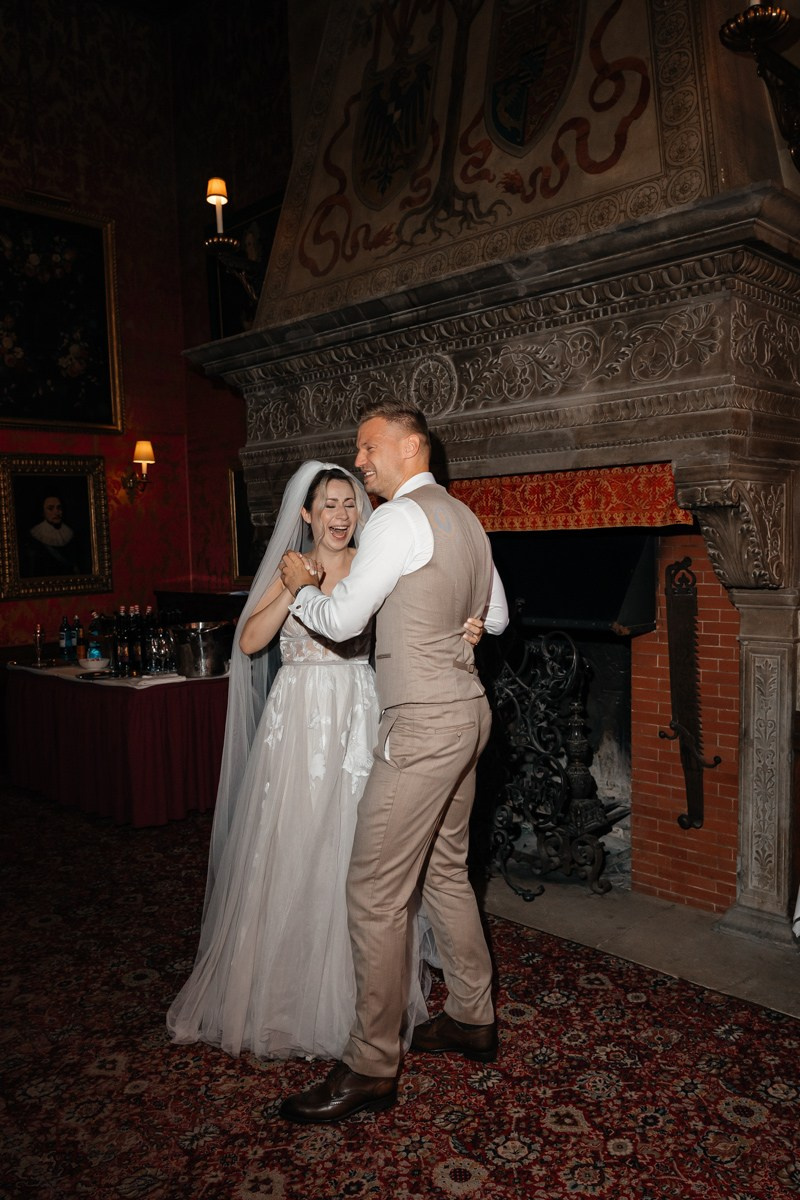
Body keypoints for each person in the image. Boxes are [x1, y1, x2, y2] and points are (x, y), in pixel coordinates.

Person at [166, 461, 483, 1060]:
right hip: (297, 724)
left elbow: (423, 615)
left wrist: (468, 625)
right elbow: (250, 642)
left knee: (359, 849)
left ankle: (354, 1000)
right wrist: (293, 587)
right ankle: (284, 992)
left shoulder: (373, 561)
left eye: (349, 503)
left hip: (360, 712)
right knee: (294, 842)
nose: (341, 515)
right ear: (307, 515)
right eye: (329, 505)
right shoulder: (290, 568)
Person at [278, 399, 509, 1124]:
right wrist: (466, 627)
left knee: (374, 891)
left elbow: (345, 621)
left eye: (368, 447)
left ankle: (370, 1065)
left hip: (423, 725)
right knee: (444, 867)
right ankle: (472, 1016)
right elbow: (498, 616)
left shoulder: (396, 519)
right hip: (469, 713)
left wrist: (302, 588)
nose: (360, 460)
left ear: (411, 446)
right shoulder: (465, 518)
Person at [24, 495, 80, 575]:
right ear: (43, 512)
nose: (56, 512)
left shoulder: (70, 533)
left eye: (59, 508)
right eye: (50, 508)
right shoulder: (34, 535)